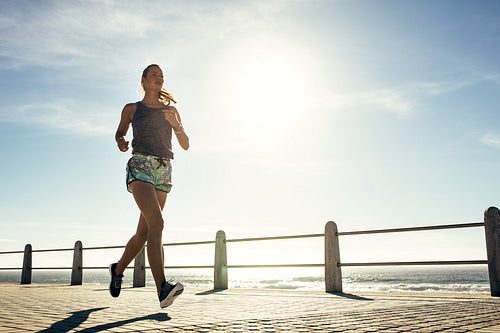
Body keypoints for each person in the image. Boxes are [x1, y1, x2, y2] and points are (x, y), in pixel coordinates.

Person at [109, 64, 189, 308]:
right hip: (140, 166)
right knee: (158, 223)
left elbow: (185, 144)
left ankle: (118, 269)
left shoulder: (171, 110)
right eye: (153, 74)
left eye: (161, 75)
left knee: (145, 233)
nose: (158, 77)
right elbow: (120, 133)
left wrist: (177, 126)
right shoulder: (132, 109)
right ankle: (162, 288)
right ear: (143, 81)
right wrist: (121, 141)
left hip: (164, 169)